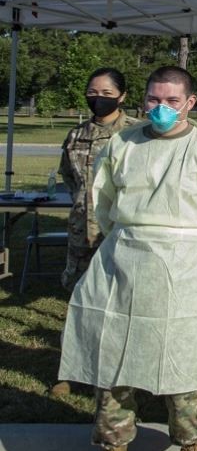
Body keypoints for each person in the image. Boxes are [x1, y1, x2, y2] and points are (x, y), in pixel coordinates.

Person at [58, 66, 197, 451]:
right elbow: (103, 203)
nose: (161, 109)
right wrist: (131, 239)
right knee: (112, 361)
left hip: (184, 267)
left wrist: (184, 244)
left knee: (183, 362)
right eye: (154, 100)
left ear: (190, 102)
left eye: (171, 101)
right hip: (122, 261)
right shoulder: (122, 143)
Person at [52, 68, 139, 397]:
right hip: (81, 235)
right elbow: (69, 177)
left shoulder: (134, 134)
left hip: (118, 235)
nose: (97, 98)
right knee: (78, 301)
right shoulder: (76, 135)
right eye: (92, 91)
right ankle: (69, 370)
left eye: (106, 92)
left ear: (122, 96)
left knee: (118, 305)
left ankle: (118, 377)